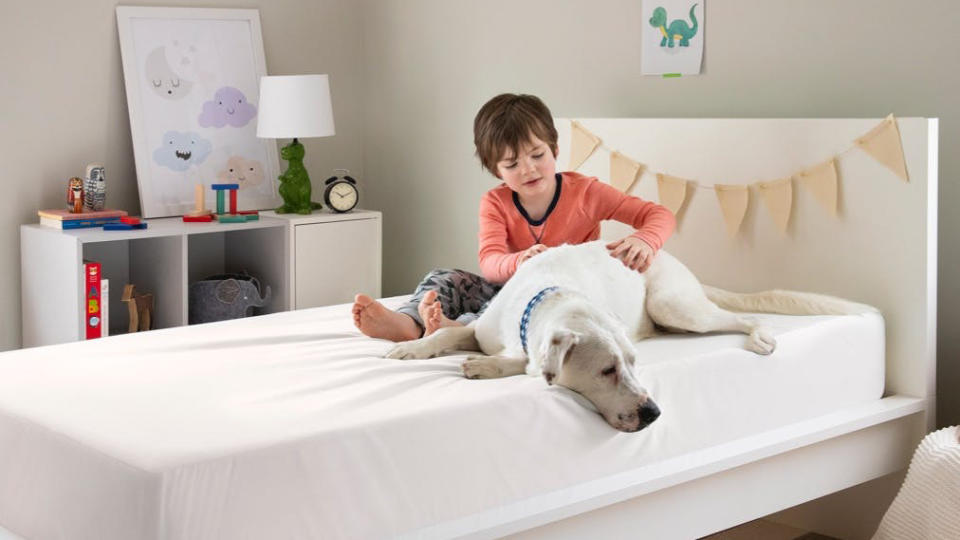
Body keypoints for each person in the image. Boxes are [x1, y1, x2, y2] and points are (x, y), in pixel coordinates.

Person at [353, 93, 676, 341]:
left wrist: (644, 239)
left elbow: (658, 214)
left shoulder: (587, 192)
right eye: (512, 164)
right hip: (508, 286)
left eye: (538, 155)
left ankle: (460, 331)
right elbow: (490, 261)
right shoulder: (495, 202)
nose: (528, 169)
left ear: (555, 150)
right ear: (496, 170)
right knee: (445, 277)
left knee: (513, 310)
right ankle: (409, 322)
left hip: (561, 295)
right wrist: (520, 261)